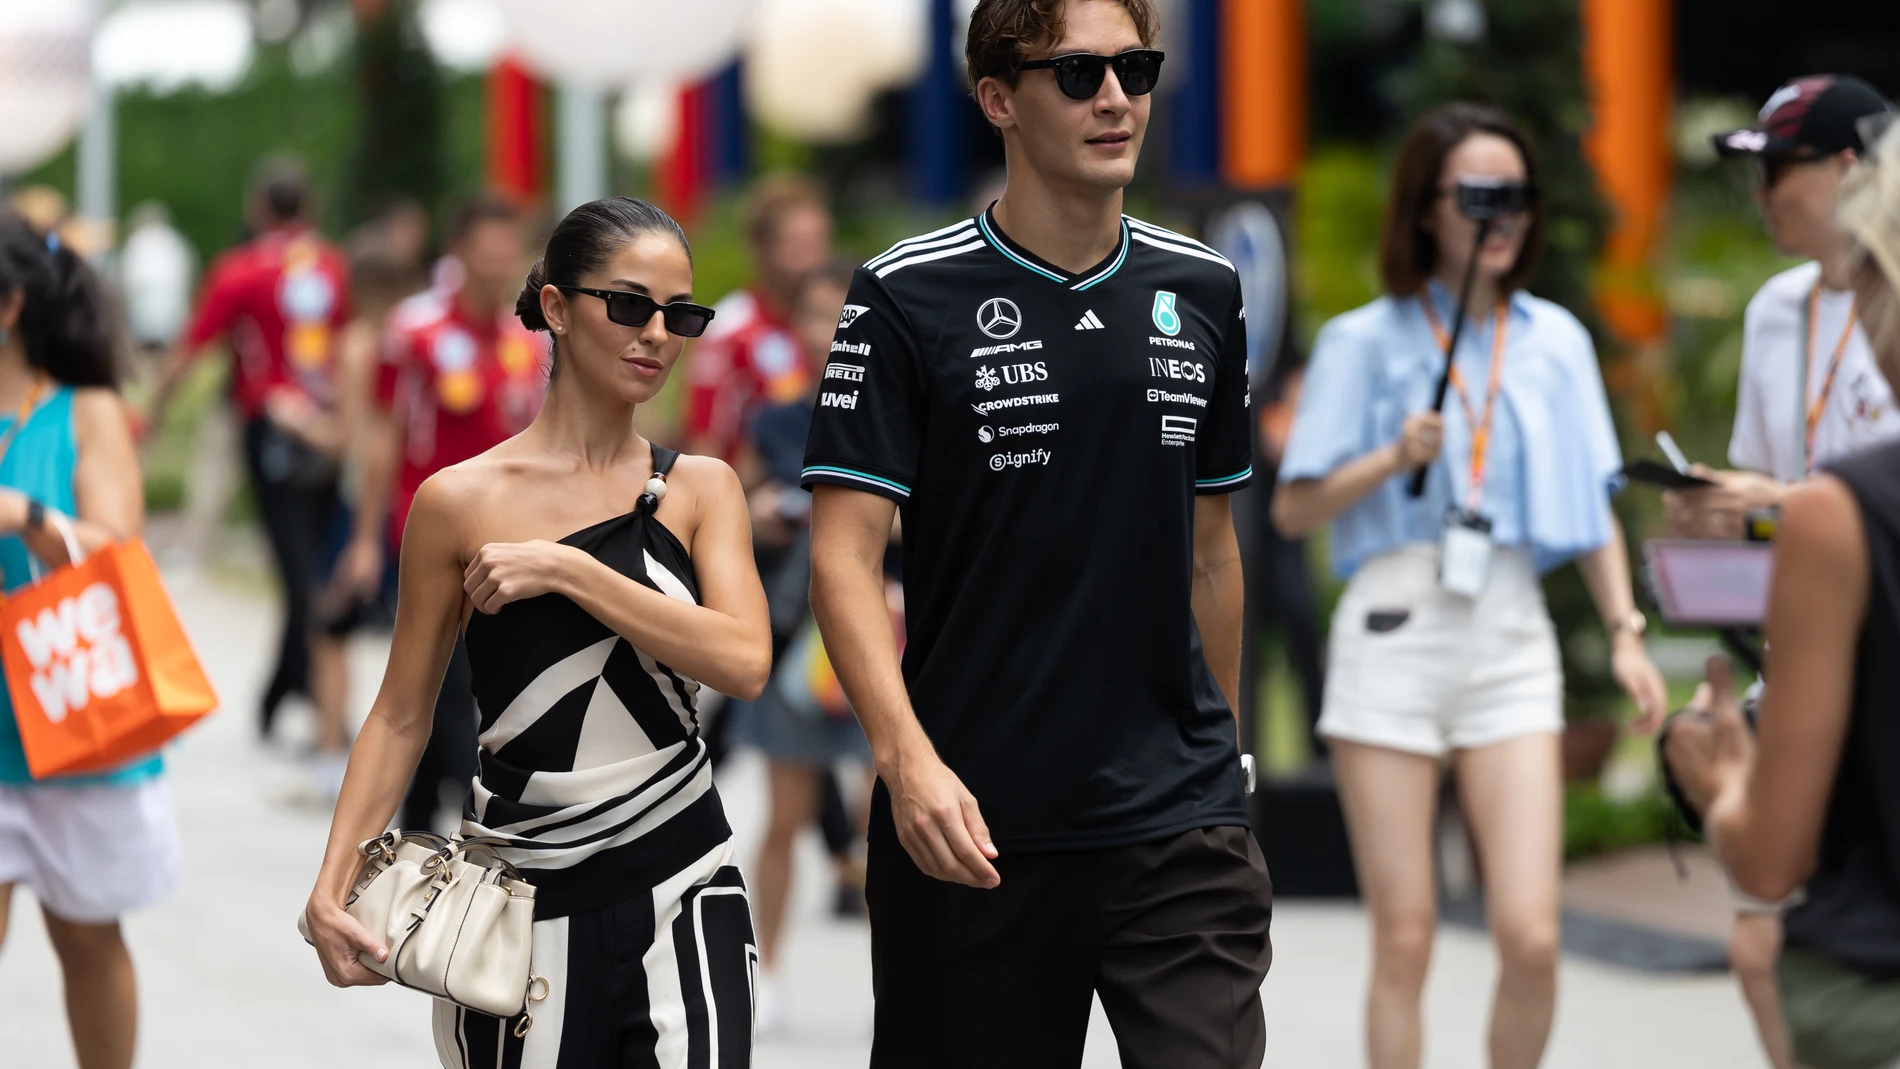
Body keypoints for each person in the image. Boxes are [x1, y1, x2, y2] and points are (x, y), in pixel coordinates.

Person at [803, 1, 1273, 1064]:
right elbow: (844, 556)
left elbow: (1212, 552)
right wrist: (905, 762)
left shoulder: (1203, 289)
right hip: (970, 824)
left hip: (1178, 822)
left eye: (1135, 68)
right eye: (1078, 73)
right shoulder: (901, 295)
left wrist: (1225, 765)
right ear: (998, 98)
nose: (1116, 97)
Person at [303, 196, 769, 1066]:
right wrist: (333, 881)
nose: (657, 335)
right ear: (555, 308)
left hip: (684, 877)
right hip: (516, 909)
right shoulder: (458, 501)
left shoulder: (701, 488)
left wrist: (571, 571)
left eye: (681, 315)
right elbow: (402, 713)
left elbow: (743, 661)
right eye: (629, 305)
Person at [1271, 103, 1669, 1069]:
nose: (1505, 217)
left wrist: (1624, 629)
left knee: (1531, 933)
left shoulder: (1557, 340)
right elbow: (1294, 510)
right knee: (1404, 937)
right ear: (1424, 209)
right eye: (1479, 196)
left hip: (1508, 622)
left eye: (1519, 197)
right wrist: (1386, 458)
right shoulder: (1364, 341)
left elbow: (1593, 502)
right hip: (1395, 619)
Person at [1664, 74, 1897, 1069]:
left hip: (1867, 666)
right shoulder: (1772, 313)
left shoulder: (1852, 507)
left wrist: (1716, 789)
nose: (1758, 196)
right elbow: (1778, 502)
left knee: (1787, 932)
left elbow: (1818, 507)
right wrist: (1724, 516)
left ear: (1851, 173)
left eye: (1778, 169)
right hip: (1798, 646)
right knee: (1764, 944)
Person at [0, 212, 170, 1069]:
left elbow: (120, 548)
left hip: (74, 722)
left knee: (87, 936)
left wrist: (29, 516)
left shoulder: (84, 409)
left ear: (10, 307)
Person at [334, 195, 544, 833]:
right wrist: (366, 538)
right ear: (458, 253)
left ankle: (414, 829)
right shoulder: (414, 330)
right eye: (487, 252)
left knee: (456, 686)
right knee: (454, 696)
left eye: (508, 253)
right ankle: (487, 836)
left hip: (506, 540)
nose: (498, 264)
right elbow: (384, 436)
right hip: (426, 538)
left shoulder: (528, 337)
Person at [149, 160, 353, 779]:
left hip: (273, 428)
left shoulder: (240, 270)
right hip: (328, 424)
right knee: (313, 561)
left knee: (295, 569)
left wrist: (152, 414)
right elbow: (351, 345)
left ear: (261, 207)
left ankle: (295, 697)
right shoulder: (331, 266)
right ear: (309, 208)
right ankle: (298, 696)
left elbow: (193, 345)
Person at [734, 258, 877, 1031]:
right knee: (785, 816)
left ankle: (900, 980)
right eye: (820, 316)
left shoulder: (907, 410)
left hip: (887, 638)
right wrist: (759, 512)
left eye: (846, 316)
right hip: (798, 646)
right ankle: (769, 973)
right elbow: (733, 516)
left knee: (891, 816)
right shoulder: (776, 420)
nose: (833, 332)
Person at [681, 174, 832, 464]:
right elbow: (704, 446)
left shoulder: (844, 323)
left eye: (819, 242)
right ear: (761, 248)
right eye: (797, 244)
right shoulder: (729, 330)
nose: (813, 259)